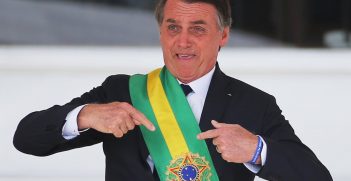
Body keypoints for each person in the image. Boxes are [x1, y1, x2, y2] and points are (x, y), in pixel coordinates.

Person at [13, 0, 332, 180]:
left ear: (223, 35)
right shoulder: (122, 91)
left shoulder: (254, 104)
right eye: (173, 27)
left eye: (197, 29)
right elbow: (26, 138)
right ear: (161, 31)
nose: (182, 42)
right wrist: (85, 115)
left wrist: (256, 149)